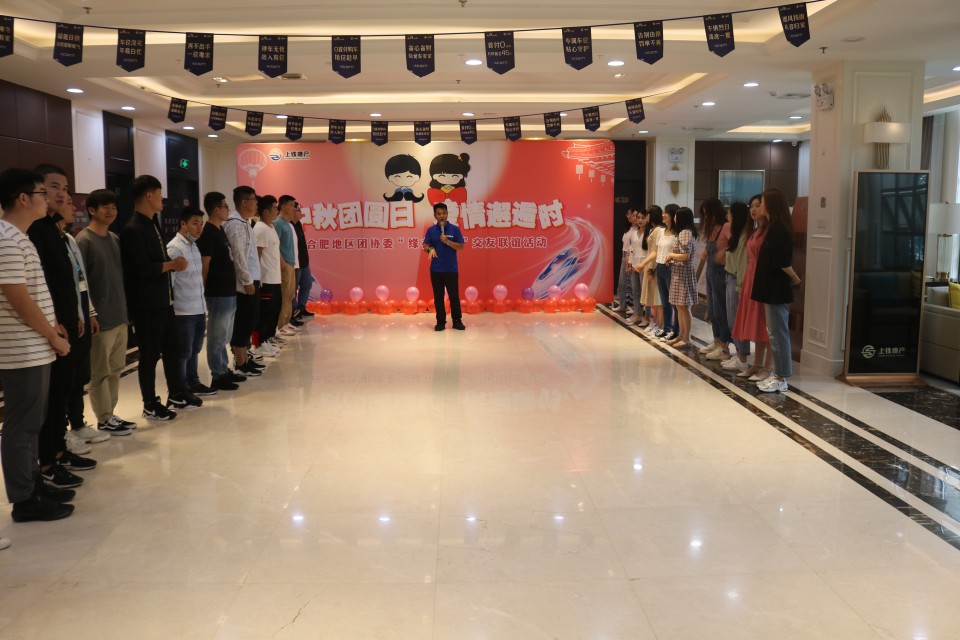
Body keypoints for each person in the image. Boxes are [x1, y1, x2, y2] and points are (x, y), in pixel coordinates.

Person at [0, 168, 75, 522]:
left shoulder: (20, 237)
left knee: (33, 423)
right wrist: (51, 335)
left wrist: (52, 327)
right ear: (23, 199)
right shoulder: (6, 239)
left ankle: (34, 485)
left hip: (34, 346)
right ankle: (24, 499)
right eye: (42, 193)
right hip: (21, 349)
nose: (48, 199)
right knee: (21, 427)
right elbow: (18, 299)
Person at [27, 164, 94, 488]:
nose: (62, 195)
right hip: (51, 331)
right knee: (52, 398)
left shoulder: (54, 230)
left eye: (65, 189)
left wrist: (77, 315)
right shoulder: (34, 231)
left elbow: (68, 281)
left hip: (67, 324)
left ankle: (58, 450)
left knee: (64, 390)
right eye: (54, 187)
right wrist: (53, 324)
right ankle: (47, 462)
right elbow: (37, 286)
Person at [120, 174, 198, 420]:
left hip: (164, 301)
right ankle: (149, 403)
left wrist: (170, 265)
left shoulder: (152, 223)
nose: (163, 198)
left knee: (172, 349)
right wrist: (172, 265)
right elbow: (143, 269)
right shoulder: (133, 229)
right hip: (146, 304)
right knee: (150, 355)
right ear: (149, 195)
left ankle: (176, 393)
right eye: (160, 193)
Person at [76, 189, 137, 434]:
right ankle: (103, 418)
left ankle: (110, 414)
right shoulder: (84, 240)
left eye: (114, 207)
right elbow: (80, 282)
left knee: (115, 369)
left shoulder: (114, 238)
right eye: (105, 207)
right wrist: (90, 314)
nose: (111, 211)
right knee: (100, 372)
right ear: (92, 210)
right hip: (100, 319)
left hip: (119, 314)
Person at [60, 196, 110, 454]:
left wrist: (89, 312)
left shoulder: (69, 239)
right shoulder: (51, 240)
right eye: (67, 202)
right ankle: (62, 434)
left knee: (79, 374)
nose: (73, 207)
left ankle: (78, 425)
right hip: (64, 318)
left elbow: (81, 281)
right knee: (65, 379)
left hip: (80, 312)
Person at [752, 188, 801, 393]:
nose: (759, 206)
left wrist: (795, 278)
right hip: (770, 288)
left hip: (776, 289)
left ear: (771, 205)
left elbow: (782, 261)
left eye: (762, 203)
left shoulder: (779, 229)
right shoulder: (773, 227)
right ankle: (778, 373)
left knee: (778, 334)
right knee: (774, 333)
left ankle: (781, 377)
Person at [196, 191, 243, 392]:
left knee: (225, 335)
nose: (228, 209)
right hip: (217, 292)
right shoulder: (208, 233)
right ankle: (217, 375)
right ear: (216, 210)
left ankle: (224, 369)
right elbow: (204, 265)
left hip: (228, 290)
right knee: (216, 336)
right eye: (225, 206)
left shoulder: (220, 229)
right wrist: (202, 290)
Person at [167, 206, 213, 400]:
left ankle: (193, 382)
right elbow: (170, 283)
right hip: (183, 311)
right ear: (183, 224)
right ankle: (180, 388)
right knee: (183, 352)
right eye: (195, 224)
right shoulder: (174, 248)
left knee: (195, 349)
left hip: (198, 308)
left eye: (201, 224)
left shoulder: (194, 246)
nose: (199, 228)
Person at [223, 185, 265, 378]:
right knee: (242, 322)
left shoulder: (245, 222)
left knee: (250, 321)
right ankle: (240, 362)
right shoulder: (234, 224)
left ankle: (245, 358)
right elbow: (238, 256)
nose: (256, 203)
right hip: (244, 283)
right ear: (244, 202)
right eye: (254, 200)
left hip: (252, 279)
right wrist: (247, 281)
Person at [732, 194, 774, 382]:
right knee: (757, 323)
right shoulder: (756, 230)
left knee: (766, 325)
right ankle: (757, 363)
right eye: (752, 206)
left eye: (758, 205)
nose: (754, 209)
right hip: (750, 279)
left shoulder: (770, 230)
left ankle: (767, 367)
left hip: (762, 279)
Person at [720, 202, 753, 373]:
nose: (728, 217)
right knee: (731, 318)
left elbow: (742, 264)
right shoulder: (737, 234)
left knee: (737, 320)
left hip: (737, 280)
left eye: (730, 213)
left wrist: (740, 285)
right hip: (730, 277)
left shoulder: (744, 236)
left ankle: (743, 357)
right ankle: (739, 354)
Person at [423, 201, 465, 331]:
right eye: (439, 214)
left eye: (444, 213)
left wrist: (448, 241)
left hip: (451, 269)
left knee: (454, 296)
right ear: (435, 216)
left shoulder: (454, 229)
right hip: (436, 270)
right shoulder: (431, 230)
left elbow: (461, 246)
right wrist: (430, 249)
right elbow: (426, 245)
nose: (442, 216)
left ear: (447, 214)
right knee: (438, 297)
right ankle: (440, 321)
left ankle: (457, 320)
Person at [699, 197, 731, 360]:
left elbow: (734, 245)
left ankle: (724, 346)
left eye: (708, 214)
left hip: (721, 272)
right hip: (711, 272)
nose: (706, 217)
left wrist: (722, 253)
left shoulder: (725, 226)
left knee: (720, 310)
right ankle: (717, 340)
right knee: (712, 309)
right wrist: (706, 251)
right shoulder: (711, 229)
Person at [253, 195, 284, 355]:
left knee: (273, 310)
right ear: (265, 212)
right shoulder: (260, 229)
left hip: (274, 277)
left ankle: (269, 338)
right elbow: (256, 256)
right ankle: (260, 344)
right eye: (275, 208)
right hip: (265, 279)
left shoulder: (270, 227)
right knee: (264, 313)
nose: (277, 211)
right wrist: (257, 279)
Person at [665, 206, 699, 348]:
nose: (674, 217)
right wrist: (672, 259)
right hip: (679, 272)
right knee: (679, 306)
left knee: (684, 307)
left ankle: (686, 338)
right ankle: (681, 335)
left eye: (676, 215)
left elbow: (685, 256)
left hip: (683, 274)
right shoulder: (684, 232)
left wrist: (671, 255)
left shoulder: (685, 232)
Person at [273, 195, 300, 334]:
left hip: (291, 263)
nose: (293, 208)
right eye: (291, 205)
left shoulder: (288, 224)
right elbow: (274, 245)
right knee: (284, 295)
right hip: (284, 265)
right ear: (282, 206)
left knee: (290, 295)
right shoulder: (278, 223)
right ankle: (280, 325)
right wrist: (282, 262)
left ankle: (286, 322)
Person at [654, 204, 679, 340]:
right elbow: (657, 250)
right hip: (660, 266)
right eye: (663, 213)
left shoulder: (678, 233)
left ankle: (676, 330)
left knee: (674, 301)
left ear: (673, 215)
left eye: (666, 213)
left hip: (671, 268)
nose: (663, 215)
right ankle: (667, 328)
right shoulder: (661, 231)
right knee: (664, 301)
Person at [637, 205, 663, 333]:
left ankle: (658, 324)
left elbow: (656, 252)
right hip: (650, 265)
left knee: (657, 298)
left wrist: (651, 268)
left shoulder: (658, 230)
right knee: (653, 297)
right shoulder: (653, 230)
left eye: (647, 215)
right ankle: (654, 322)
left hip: (654, 266)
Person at [626, 208, 649, 325]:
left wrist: (647, 266)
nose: (640, 220)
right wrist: (629, 264)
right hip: (635, 264)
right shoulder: (634, 233)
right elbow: (631, 250)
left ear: (647, 218)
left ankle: (646, 317)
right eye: (638, 218)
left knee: (646, 293)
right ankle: (637, 314)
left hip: (644, 265)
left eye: (642, 218)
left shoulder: (650, 233)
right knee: (636, 291)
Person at [292, 204, 314, 319]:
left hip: (304, 262)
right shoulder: (289, 225)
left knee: (307, 284)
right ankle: (294, 311)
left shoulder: (298, 224)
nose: (300, 212)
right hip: (295, 263)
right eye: (298, 210)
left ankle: (302, 307)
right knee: (293, 288)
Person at [614, 209, 636, 317]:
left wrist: (629, 259)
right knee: (622, 283)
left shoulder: (638, 230)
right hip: (624, 256)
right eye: (628, 214)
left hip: (631, 257)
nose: (630, 216)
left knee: (632, 283)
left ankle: (634, 307)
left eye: (633, 214)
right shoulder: (628, 229)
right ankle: (622, 305)